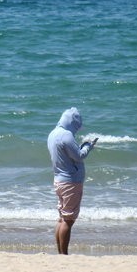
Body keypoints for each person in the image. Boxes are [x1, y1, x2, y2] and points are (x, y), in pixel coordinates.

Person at [47, 107, 96, 255]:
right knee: (68, 220)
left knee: (62, 218)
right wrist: (88, 146)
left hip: (59, 180)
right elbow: (79, 156)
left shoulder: (53, 134)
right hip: (70, 182)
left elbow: (69, 155)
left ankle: (60, 253)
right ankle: (64, 254)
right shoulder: (67, 136)